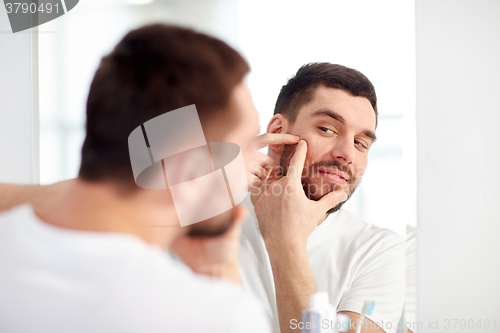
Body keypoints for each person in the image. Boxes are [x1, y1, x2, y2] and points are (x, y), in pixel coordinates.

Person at [0, 24, 278, 333]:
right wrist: (220, 277)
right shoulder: (215, 316)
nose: (258, 159)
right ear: (189, 172)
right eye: (247, 144)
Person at [241, 63, 406, 333]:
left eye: (361, 143)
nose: (347, 154)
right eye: (328, 129)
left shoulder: (380, 251)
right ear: (279, 131)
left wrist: (287, 240)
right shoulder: (203, 214)